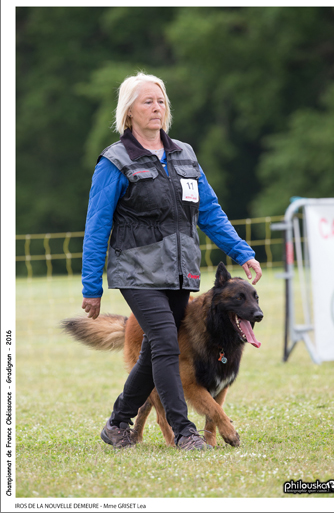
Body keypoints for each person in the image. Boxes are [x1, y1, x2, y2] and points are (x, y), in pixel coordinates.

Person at [81, 72, 262, 451]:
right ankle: (184, 432)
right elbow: (97, 226)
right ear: (128, 113)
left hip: (180, 272)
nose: (157, 107)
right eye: (147, 101)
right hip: (136, 272)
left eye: (161, 101)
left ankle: (117, 421)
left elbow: (209, 210)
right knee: (165, 342)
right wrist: (91, 287)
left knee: (152, 351)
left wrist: (242, 251)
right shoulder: (115, 162)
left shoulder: (184, 154)